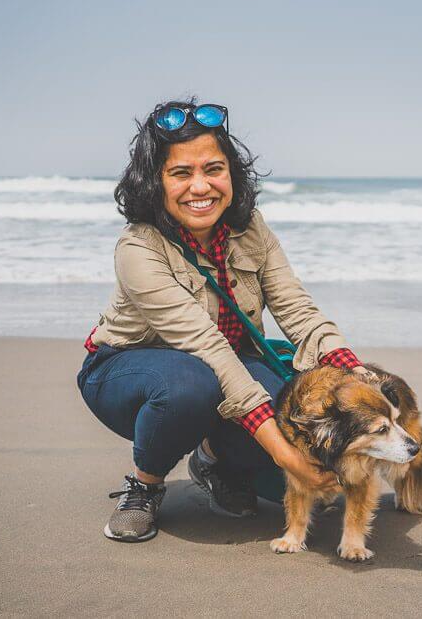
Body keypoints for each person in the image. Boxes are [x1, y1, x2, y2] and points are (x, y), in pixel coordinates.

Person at [77, 99, 371, 542]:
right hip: (132, 373)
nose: (201, 187)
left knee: (291, 419)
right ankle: (145, 486)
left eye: (213, 169)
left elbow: (297, 309)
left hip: (229, 365)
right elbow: (206, 347)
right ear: (155, 182)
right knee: (191, 386)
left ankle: (214, 459)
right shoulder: (138, 248)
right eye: (181, 173)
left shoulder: (250, 226)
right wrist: (288, 459)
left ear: (231, 173)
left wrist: (358, 375)